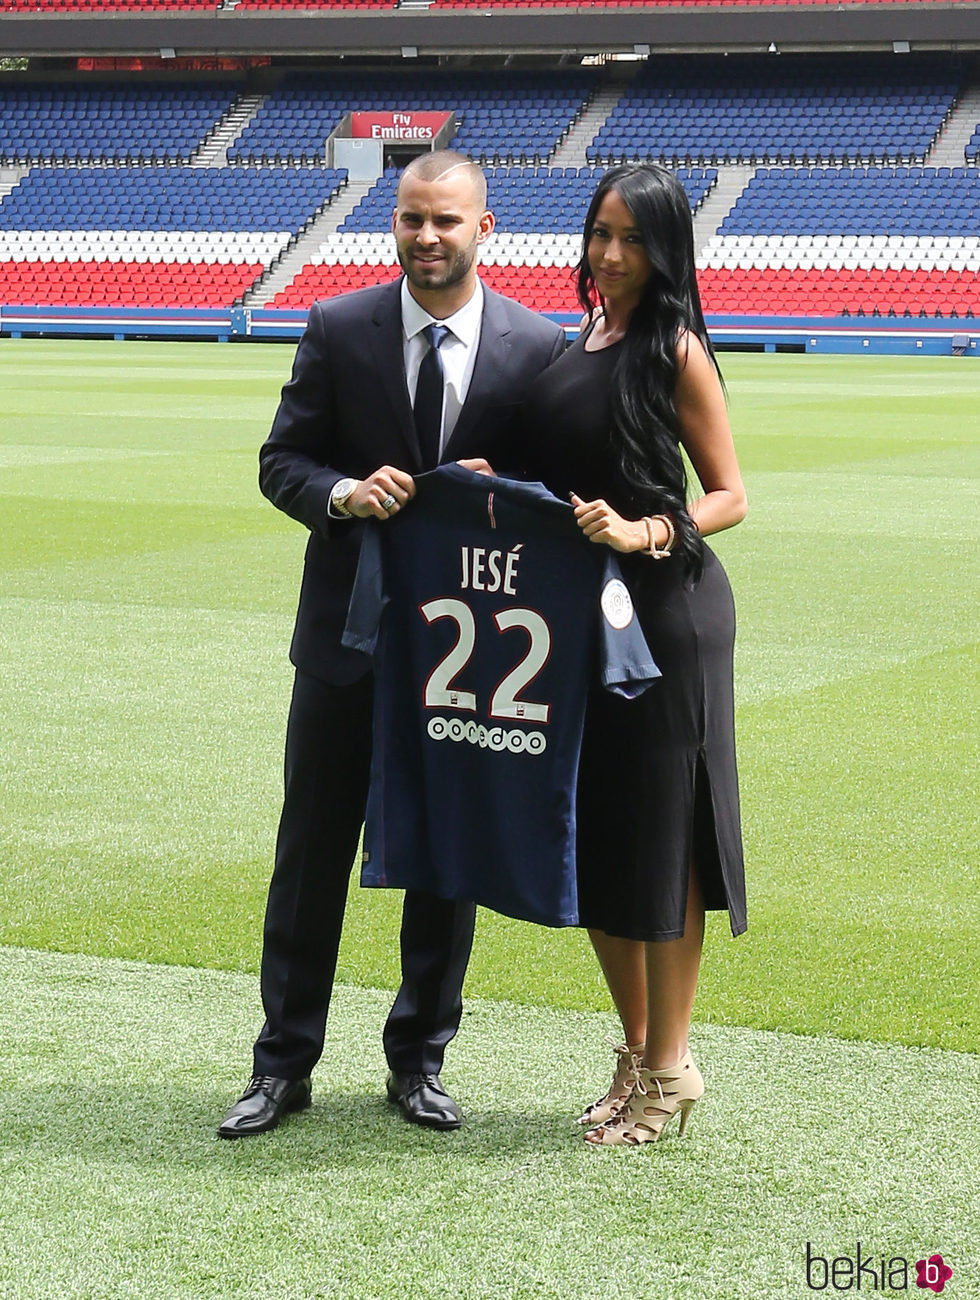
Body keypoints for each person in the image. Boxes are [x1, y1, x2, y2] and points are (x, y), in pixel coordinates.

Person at [218, 150, 566, 1138]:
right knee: (310, 853)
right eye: (411, 219)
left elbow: (561, 498)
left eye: (445, 221)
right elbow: (280, 460)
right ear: (394, 224)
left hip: (466, 654)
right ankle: (281, 1066)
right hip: (344, 642)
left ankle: (418, 1061)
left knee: (444, 858)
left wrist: (513, 495)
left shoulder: (534, 349)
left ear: (483, 229)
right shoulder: (336, 326)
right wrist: (340, 493)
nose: (426, 237)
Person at [520, 164, 748, 1146]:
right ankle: (635, 1046)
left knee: (663, 843)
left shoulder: (674, 348)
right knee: (599, 839)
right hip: (582, 618)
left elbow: (729, 493)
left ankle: (672, 1062)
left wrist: (644, 531)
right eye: (599, 233)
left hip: (665, 617)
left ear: (663, 253)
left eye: (632, 239)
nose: (609, 255)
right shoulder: (578, 337)